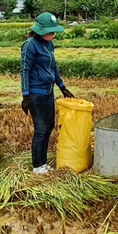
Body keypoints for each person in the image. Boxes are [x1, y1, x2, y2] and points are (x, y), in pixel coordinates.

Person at [21, 12, 74, 175]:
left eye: (53, 31)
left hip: (48, 91)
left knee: (49, 127)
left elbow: (53, 67)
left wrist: (62, 87)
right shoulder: (30, 45)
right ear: (40, 30)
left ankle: (43, 162)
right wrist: (25, 96)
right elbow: (25, 70)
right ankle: (37, 165)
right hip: (36, 93)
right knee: (41, 129)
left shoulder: (48, 44)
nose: (53, 34)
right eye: (50, 31)